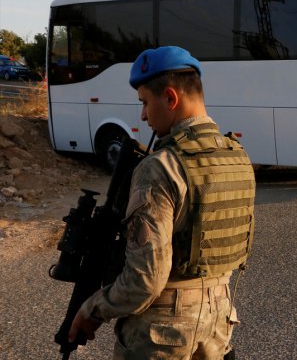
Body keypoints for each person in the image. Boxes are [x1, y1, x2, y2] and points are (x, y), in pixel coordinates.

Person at [68, 46, 255, 359]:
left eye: (145, 102)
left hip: (163, 331)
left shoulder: (161, 167)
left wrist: (94, 309)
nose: (142, 114)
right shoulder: (237, 156)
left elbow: (146, 280)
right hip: (219, 321)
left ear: (170, 98)